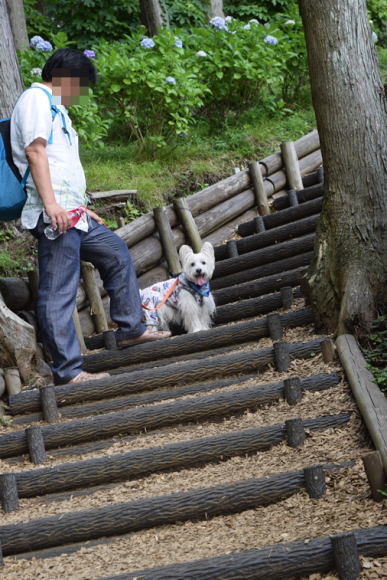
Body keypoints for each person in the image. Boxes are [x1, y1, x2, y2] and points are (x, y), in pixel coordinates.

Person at [11, 48, 170, 386]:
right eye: (80, 84)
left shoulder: (59, 109)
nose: (80, 93)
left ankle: (131, 329)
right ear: (64, 75)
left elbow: (60, 162)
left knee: (114, 251)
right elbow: (35, 152)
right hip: (55, 215)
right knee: (58, 292)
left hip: (75, 213)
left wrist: (81, 204)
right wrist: (52, 205)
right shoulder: (36, 99)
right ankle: (68, 372)